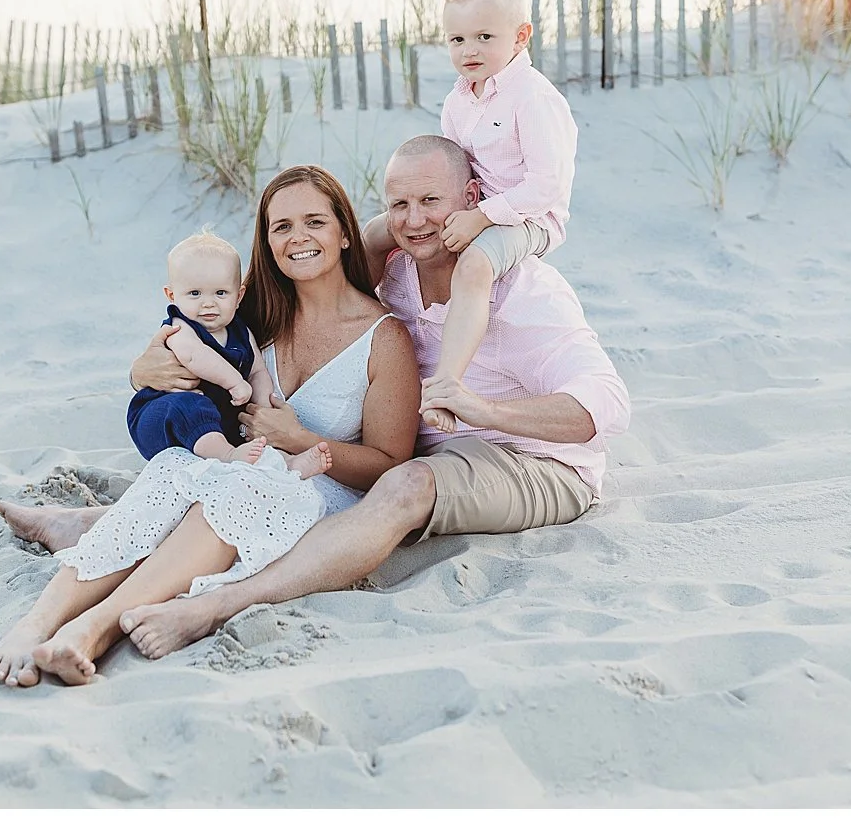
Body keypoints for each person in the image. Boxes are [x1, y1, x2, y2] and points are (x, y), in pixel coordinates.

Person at [112, 136, 631, 662]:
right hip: (434, 455)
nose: (415, 220)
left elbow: (606, 405)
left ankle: (222, 604)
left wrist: (478, 408)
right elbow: (281, 275)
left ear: (473, 199)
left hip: (536, 462)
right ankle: (101, 529)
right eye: (399, 205)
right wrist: (144, 368)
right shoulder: (398, 272)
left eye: (432, 201)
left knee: (402, 484)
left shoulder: (526, 293)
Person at [0, 166, 420, 687]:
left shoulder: (384, 338)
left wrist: (301, 440)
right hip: (238, 466)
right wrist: (143, 369)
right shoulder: (252, 308)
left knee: (237, 486)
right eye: (281, 227)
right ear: (267, 240)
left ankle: (92, 630)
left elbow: (391, 466)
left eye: (315, 222)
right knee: (172, 467)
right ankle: (34, 625)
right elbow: (169, 344)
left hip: (319, 490)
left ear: (345, 232)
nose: (298, 237)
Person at [363, 0, 576, 435]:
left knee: (475, 264)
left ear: (521, 36)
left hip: (530, 217)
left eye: (484, 37)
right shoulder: (458, 101)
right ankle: (353, 324)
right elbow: (453, 167)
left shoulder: (534, 98)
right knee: (381, 230)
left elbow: (547, 185)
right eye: (457, 39)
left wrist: (480, 218)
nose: (469, 51)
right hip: (479, 206)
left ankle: (446, 383)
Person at [127, 230, 333, 477]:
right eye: (194, 293)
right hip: (163, 418)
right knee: (189, 404)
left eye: (220, 293)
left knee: (253, 436)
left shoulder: (241, 331)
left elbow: (257, 371)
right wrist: (235, 382)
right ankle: (227, 456)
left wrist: (264, 407)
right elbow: (195, 356)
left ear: (239, 296)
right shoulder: (180, 327)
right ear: (172, 295)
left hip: (217, 422)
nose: (208, 303)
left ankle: (287, 464)